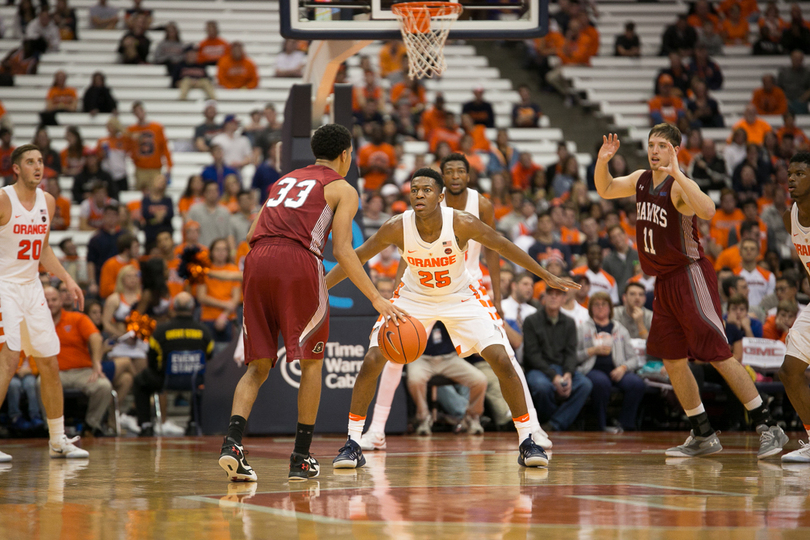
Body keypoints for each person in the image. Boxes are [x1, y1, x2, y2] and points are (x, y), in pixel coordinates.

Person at [328, 168, 579, 471]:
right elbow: (357, 257)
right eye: (415, 190)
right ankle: (353, 443)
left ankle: (527, 439)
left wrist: (545, 274)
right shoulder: (397, 226)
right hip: (413, 297)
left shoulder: (460, 222)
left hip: (461, 296)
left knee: (501, 358)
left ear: (441, 196)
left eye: (427, 190)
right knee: (372, 360)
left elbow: (503, 246)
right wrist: (319, 288)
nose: (419, 195)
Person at [218, 124, 407, 482]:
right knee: (311, 364)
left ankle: (233, 444)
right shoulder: (342, 188)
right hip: (297, 261)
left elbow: (248, 234)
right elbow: (342, 251)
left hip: (256, 260)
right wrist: (376, 298)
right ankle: (301, 457)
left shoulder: (284, 180)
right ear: (347, 155)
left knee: (258, 366)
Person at [595, 125, 788, 459]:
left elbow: (709, 210)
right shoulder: (642, 178)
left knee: (717, 353)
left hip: (690, 275)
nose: (654, 151)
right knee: (671, 359)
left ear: (675, 150)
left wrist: (679, 174)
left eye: (662, 146)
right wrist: (602, 162)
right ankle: (702, 432)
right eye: (651, 145)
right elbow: (607, 188)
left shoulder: (678, 187)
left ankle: (768, 425)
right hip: (664, 281)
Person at [358, 154, 552, 452]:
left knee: (504, 356)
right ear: (442, 179)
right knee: (392, 352)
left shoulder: (479, 206)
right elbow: (409, 257)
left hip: (465, 285)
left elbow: (495, 250)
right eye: (449, 172)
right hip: (421, 286)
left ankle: (532, 428)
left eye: (461, 171)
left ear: (466, 177)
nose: (455, 176)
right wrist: (399, 289)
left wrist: (497, 295)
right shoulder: (414, 217)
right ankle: (376, 430)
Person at [0, 144, 88, 463]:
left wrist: (67, 279)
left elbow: (43, 250)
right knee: (9, 360)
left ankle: (57, 439)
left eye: (40, 161)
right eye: (30, 162)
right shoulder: (4, 199)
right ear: (16, 169)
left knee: (49, 361)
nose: (38, 167)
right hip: (4, 286)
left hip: (32, 285)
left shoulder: (47, 202)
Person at [134, 292, 214, 436]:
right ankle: (193, 424)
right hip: (194, 380)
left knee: (140, 380)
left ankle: (145, 425)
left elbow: (152, 360)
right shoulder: (205, 331)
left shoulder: (161, 331)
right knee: (204, 382)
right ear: (193, 307)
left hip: (165, 380)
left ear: (173, 308)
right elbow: (209, 357)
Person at [776, 152, 810, 463]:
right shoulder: (790, 218)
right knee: (790, 370)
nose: (791, 179)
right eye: (790, 173)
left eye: (800, 173)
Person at [44, 285, 112, 436]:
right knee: (39, 384)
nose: (50, 303)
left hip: (82, 371)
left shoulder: (77, 318)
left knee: (104, 386)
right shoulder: (36, 321)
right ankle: (50, 429)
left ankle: (90, 426)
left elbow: (96, 337)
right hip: (54, 373)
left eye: (54, 300)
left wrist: (96, 362)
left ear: (60, 301)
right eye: (46, 300)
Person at [523, 287, 592, 432]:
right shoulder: (531, 320)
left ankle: (554, 424)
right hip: (538, 369)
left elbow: (570, 353)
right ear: (544, 297)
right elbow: (531, 354)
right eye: (550, 294)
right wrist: (553, 376)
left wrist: (568, 373)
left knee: (585, 384)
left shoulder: (569, 322)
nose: (554, 297)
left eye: (558, 295)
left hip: (562, 368)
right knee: (542, 387)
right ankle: (556, 421)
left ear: (564, 299)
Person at [577, 292, 645, 433]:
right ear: (591, 308)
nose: (600, 307)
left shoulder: (620, 329)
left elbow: (634, 358)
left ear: (610, 308)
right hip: (592, 370)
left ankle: (625, 424)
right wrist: (592, 351)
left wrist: (623, 368)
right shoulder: (583, 329)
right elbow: (574, 356)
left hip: (617, 370)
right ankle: (601, 425)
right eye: (596, 304)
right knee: (601, 383)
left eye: (604, 304)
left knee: (637, 384)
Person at [407, 321, 488, 435]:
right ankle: (423, 418)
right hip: (421, 358)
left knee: (480, 380)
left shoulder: (449, 309)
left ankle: (471, 417)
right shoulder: (418, 310)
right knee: (415, 380)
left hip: (450, 358)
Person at [127, 101, 172, 191]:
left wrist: (169, 165)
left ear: (144, 111)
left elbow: (164, 147)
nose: (139, 113)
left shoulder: (157, 127)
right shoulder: (131, 130)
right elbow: (128, 150)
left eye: (140, 110)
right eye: (136, 111)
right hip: (140, 168)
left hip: (155, 168)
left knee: (157, 192)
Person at [187, 181, 231, 247]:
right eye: (210, 191)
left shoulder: (225, 211)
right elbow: (188, 232)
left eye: (215, 191)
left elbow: (228, 235)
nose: (213, 193)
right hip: (199, 251)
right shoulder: (195, 210)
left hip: (220, 253)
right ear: (204, 193)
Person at [603, 225, 639, 297]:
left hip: (637, 296)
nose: (618, 239)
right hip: (617, 298)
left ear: (625, 235)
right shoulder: (607, 260)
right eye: (614, 237)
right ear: (611, 241)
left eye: (619, 235)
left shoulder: (637, 255)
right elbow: (606, 282)